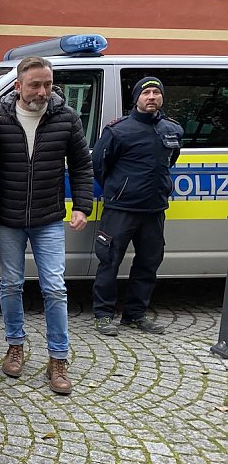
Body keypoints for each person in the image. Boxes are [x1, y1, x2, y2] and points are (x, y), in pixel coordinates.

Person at [0, 56, 93, 395]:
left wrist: (82, 205)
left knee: (54, 287)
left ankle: (58, 358)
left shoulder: (66, 118)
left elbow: (81, 165)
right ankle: (15, 344)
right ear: (18, 86)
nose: (42, 91)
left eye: (47, 84)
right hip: (8, 217)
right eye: (35, 84)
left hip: (48, 217)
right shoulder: (0, 118)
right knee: (10, 284)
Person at [91, 76, 183, 336]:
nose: (151, 96)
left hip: (154, 210)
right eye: (146, 93)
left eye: (156, 92)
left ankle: (135, 315)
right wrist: (121, 188)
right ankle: (103, 315)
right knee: (109, 261)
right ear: (136, 99)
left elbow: (171, 159)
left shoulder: (172, 129)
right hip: (121, 208)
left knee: (148, 263)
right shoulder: (118, 130)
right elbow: (100, 165)